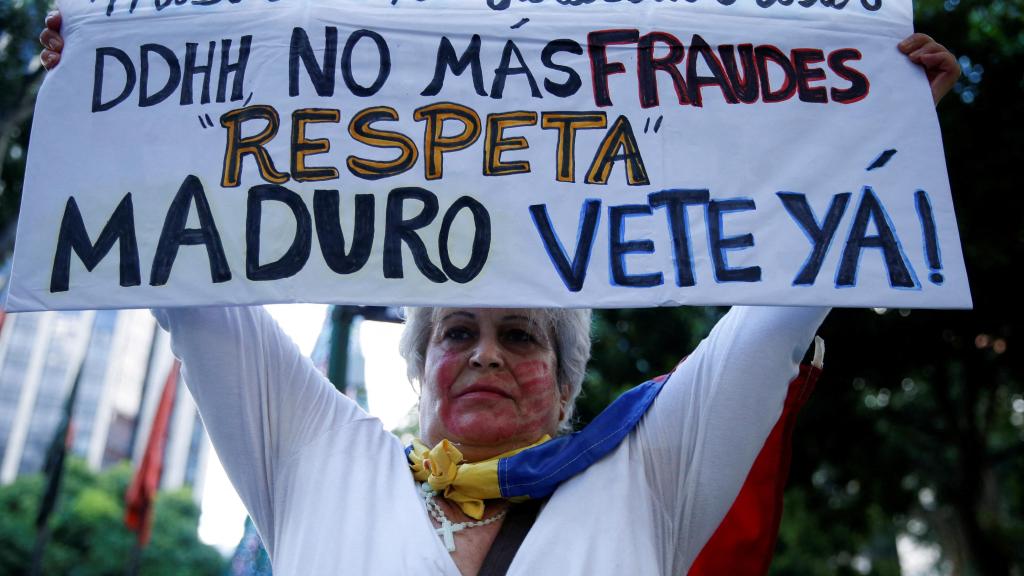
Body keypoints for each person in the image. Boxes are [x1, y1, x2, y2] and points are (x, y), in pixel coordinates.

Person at [38, 12, 959, 576]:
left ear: (564, 384)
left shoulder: (647, 475)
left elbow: (778, 308)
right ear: (418, 367)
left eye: (521, 335)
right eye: (455, 333)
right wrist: (106, 107)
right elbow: (189, 278)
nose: (484, 352)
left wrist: (878, 124)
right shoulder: (320, 455)